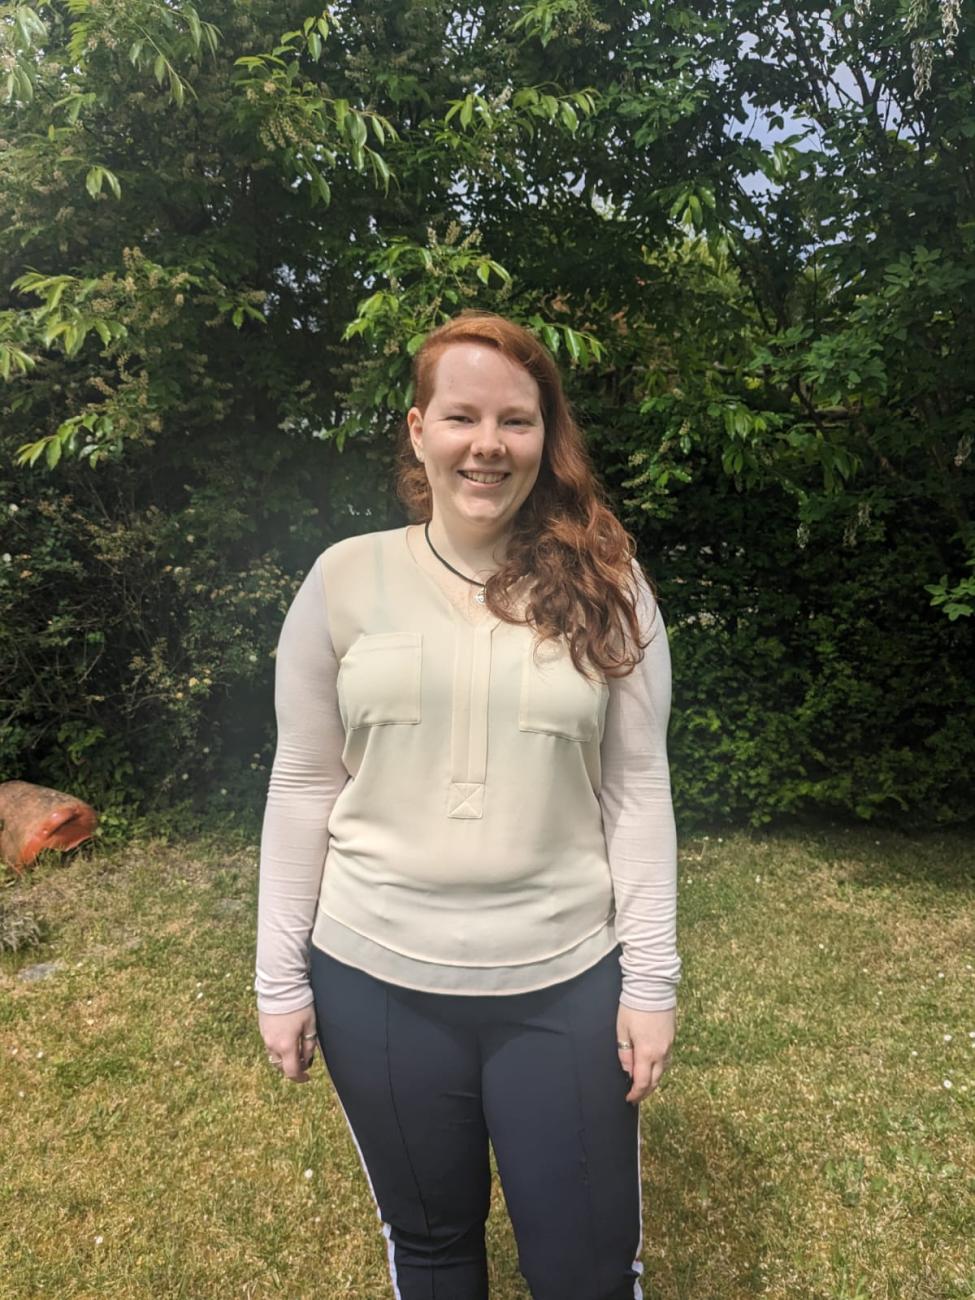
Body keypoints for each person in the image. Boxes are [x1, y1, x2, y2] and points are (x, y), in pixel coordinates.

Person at [254, 310, 681, 1300]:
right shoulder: (344, 579)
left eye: (516, 421)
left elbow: (638, 787)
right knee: (436, 1246)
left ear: (545, 435)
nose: (488, 444)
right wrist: (281, 977)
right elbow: (303, 781)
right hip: (376, 979)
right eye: (462, 416)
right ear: (418, 430)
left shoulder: (610, 583)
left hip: (565, 981)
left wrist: (650, 980)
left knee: (584, 1270)